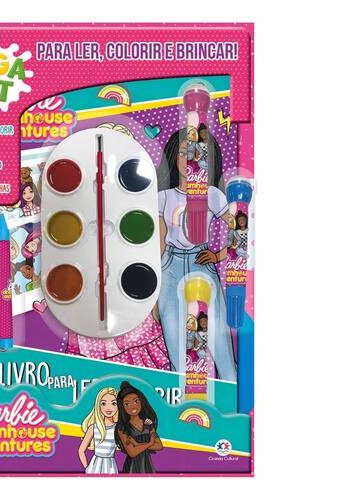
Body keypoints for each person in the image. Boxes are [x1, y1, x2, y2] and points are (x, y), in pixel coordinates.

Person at [156, 127, 236, 381]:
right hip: (169, 265)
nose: (189, 159)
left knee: (219, 339)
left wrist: (218, 255)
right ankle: (181, 397)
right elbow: (159, 242)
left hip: (201, 263)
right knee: (174, 338)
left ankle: (232, 389)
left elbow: (239, 228)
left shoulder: (212, 195)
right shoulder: (164, 197)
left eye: (196, 152)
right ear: (173, 157)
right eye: (183, 152)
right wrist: (154, 294)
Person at [114, 381, 162, 473]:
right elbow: (132, 452)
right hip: (132, 467)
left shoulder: (148, 423)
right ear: (122, 407)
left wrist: (136, 444)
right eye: (127, 404)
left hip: (147, 465)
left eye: (136, 401)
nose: (133, 406)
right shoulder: (122, 428)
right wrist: (150, 442)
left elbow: (159, 445)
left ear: (141, 401)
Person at [78, 388, 119, 474]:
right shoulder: (93, 428)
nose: (108, 408)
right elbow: (81, 450)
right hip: (94, 466)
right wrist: (87, 467)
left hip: (110, 466)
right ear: (98, 406)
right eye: (103, 403)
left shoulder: (118, 429)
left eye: (113, 403)